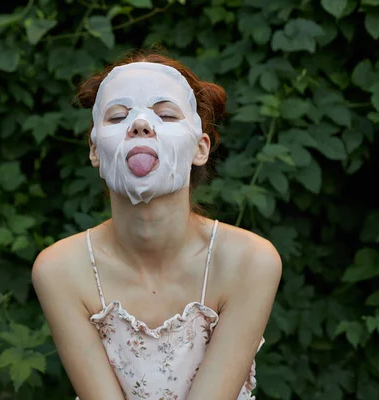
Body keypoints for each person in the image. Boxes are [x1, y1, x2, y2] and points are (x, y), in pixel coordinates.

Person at [32, 50, 282, 400]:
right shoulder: (59, 269)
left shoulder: (250, 262)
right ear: (94, 150)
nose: (140, 125)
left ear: (200, 148)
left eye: (165, 114)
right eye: (118, 117)